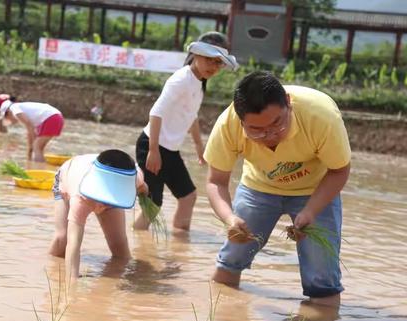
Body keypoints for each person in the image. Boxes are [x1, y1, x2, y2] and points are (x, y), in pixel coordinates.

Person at [205, 71, 351, 306]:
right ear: (240, 120)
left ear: (288, 103)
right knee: (232, 257)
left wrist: (311, 210)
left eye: (277, 123)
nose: (270, 135)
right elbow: (216, 181)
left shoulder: (321, 116)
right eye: (256, 130)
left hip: (315, 189)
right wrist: (229, 218)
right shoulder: (228, 124)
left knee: (322, 275)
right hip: (258, 188)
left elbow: (339, 171)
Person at [133, 31, 238, 233]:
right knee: (152, 207)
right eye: (209, 60)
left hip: (169, 150)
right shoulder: (181, 79)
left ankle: (179, 246)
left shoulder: (198, 83)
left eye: (218, 63)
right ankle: (133, 248)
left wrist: (199, 147)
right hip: (152, 145)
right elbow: (156, 112)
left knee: (188, 196)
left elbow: (191, 116)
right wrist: (153, 151)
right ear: (195, 55)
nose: (213, 67)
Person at [49, 149, 148, 282]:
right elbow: (74, 245)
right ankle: (51, 270)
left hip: (111, 176)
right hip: (67, 176)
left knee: (120, 248)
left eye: (109, 201)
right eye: (102, 199)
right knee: (63, 239)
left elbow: (144, 189)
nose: (102, 207)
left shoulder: (135, 177)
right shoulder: (80, 197)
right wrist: (71, 285)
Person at [0, 99, 64, 162]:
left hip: (52, 117)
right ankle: (37, 165)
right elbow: (30, 131)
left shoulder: (14, 108)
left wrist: (32, 145)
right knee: (39, 148)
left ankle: (39, 169)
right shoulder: (24, 111)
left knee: (36, 147)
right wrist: (29, 154)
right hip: (56, 117)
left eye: (6, 117)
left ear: (7, 112)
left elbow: (30, 127)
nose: (9, 120)